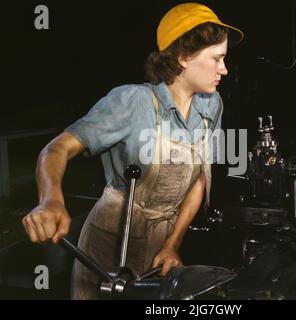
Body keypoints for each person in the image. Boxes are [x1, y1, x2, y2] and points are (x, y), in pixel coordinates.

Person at [22, 2, 243, 299]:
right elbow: (56, 149)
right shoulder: (132, 102)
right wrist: (50, 200)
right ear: (182, 57)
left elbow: (201, 179)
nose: (224, 69)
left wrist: (172, 244)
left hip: (161, 243)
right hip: (109, 243)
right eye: (217, 59)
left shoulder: (210, 105)